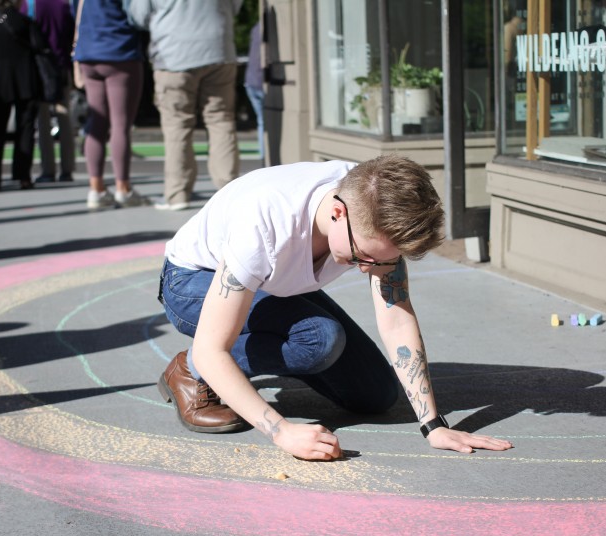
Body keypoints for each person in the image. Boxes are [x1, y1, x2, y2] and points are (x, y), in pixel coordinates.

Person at [157, 155, 515, 460]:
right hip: (191, 282)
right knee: (318, 340)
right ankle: (189, 370)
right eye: (364, 256)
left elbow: (396, 319)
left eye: (381, 261)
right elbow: (212, 349)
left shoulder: (374, 199)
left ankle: (247, 352)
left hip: (273, 281)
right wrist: (281, 431)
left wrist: (433, 425)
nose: (367, 267)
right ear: (338, 212)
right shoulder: (264, 221)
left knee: (377, 395)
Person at [126, 0, 242, 211]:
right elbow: (235, 7)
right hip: (219, 49)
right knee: (221, 120)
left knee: (177, 125)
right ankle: (230, 190)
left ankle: (178, 194)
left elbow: (139, 16)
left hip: (174, 54)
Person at [73, 0, 148, 210]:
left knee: (96, 122)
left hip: (88, 52)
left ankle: (96, 189)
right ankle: (123, 188)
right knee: (120, 125)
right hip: (119, 51)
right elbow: (138, 15)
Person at [0, 0, 44, 192]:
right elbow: (39, 48)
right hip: (25, 80)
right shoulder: (24, 22)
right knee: (26, 130)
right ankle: (23, 176)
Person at [23, 0, 76, 184]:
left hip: (40, 70)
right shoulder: (63, 5)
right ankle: (67, 169)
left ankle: (48, 170)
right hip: (61, 67)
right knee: (64, 117)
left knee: (43, 122)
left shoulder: (29, 5)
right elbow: (71, 34)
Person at [244, 21, 264, 160]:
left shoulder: (256, 28)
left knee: (262, 122)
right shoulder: (267, 28)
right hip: (262, 81)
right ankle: (266, 159)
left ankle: (264, 158)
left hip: (251, 80)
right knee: (263, 122)